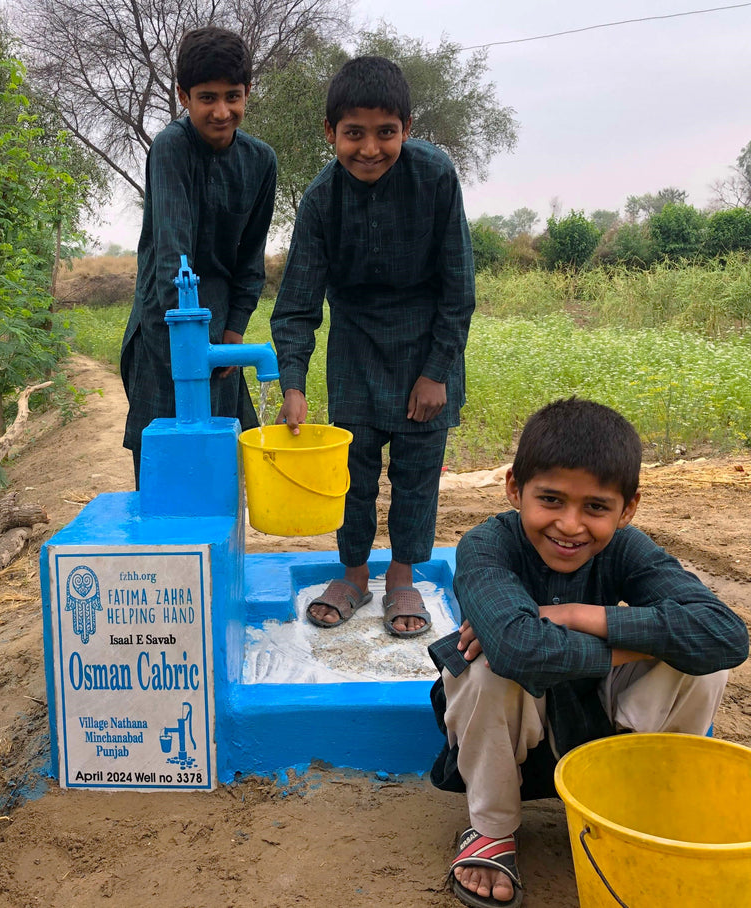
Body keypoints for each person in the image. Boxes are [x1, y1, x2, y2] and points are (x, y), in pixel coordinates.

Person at [428, 398, 749, 907]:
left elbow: (726, 635)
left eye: (596, 507)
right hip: (518, 728)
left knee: (702, 665)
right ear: (515, 488)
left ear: (627, 508)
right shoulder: (486, 547)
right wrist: (633, 648)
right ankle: (491, 829)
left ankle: (642, 809)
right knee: (486, 663)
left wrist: (582, 615)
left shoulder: (628, 548)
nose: (571, 525)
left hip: (601, 717)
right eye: (551, 500)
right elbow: (519, 650)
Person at [271, 55, 474, 637]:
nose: (370, 148)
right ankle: (356, 576)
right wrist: (293, 386)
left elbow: (459, 289)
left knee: (417, 472)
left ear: (407, 129)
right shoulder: (319, 201)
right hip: (355, 349)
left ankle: (403, 579)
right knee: (353, 474)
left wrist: (437, 371)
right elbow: (298, 305)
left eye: (386, 132)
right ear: (330, 133)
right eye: (353, 133)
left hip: (426, 348)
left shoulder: (436, 178)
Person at [120, 25, 277, 487]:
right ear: (184, 96)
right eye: (207, 97)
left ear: (248, 93)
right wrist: (193, 343)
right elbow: (174, 257)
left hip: (222, 320)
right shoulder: (171, 147)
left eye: (233, 96)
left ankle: (214, 558)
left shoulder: (261, 161)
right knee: (162, 465)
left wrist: (232, 332)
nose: (222, 111)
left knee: (217, 464)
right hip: (164, 321)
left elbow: (251, 260)